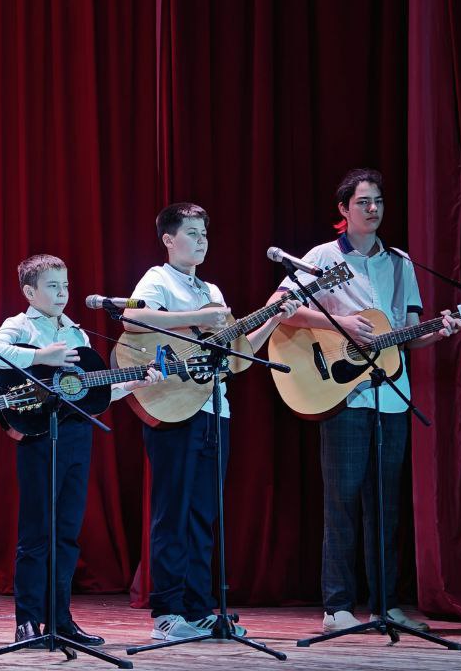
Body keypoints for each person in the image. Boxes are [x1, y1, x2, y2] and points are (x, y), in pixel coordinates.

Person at [269, 168, 461, 633]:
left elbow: (408, 333)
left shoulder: (400, 263)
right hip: (343, 393)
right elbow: (281, 307)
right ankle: (336, 605)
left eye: (378, 201)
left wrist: (438, 332)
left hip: (392, 396)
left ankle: (385, 605)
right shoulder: (322, 257)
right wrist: (340, 325)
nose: (373, 209)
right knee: (342, 500)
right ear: (344, 209)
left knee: (385, 505)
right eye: (363, 202)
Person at [123, 203, 299, 641]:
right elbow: (131, 317)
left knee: (204, 514)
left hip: (214, 409)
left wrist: (273, 318)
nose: (201, 241)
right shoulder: (157, 279)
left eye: (204, 233)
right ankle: (167, 613)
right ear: (169, 239)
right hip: (174, 406)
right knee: (173, 512)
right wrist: (198, 317)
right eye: (192, 233)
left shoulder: (212, 289)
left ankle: (199, 608)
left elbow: (238, 358)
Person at [0, 253, 161, 647]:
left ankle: (61, 618)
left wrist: (132, 384)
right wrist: (40, 356)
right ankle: (28, 620)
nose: (62, 293)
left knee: (66, 532)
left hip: (77, 435)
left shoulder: (77, 333)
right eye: (52, 286)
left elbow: (89, 391)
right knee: (36, 532)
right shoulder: (20, 325)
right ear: (30, 292)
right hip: (40, 434)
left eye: (64, 285)